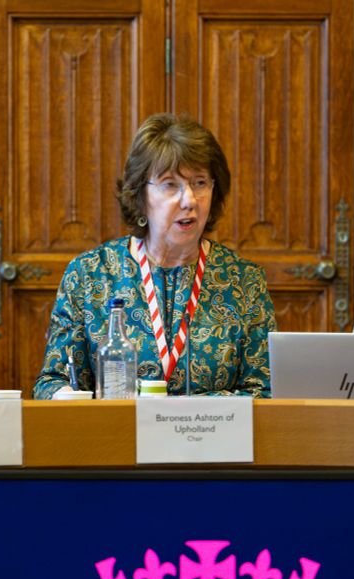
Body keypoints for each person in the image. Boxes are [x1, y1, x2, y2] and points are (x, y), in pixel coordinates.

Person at [33, 113, 277, 398]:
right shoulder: (89, 274)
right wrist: (65, 395)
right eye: (170, 184)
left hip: (209, 438)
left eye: (200, 183)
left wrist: (176, 414)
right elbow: (51, 381)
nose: (189, 201)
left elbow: (265, 389)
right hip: (117, 439)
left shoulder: (243, 281)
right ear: (140, 195)